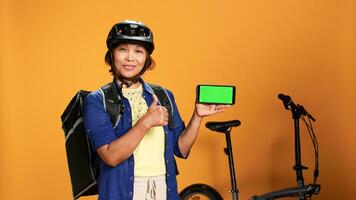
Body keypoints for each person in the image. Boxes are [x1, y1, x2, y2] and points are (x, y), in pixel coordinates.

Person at [83, 20, 229, 200]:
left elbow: (181, 149)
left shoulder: (163, 95)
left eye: (138, 51)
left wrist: (197, 117)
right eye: (123, 49)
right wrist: (146, 122)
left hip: (162, 189)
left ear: (146, 59)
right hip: (121, 192)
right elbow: (110, 156)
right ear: (112, 54)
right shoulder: (97, 100)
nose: (130, 58)